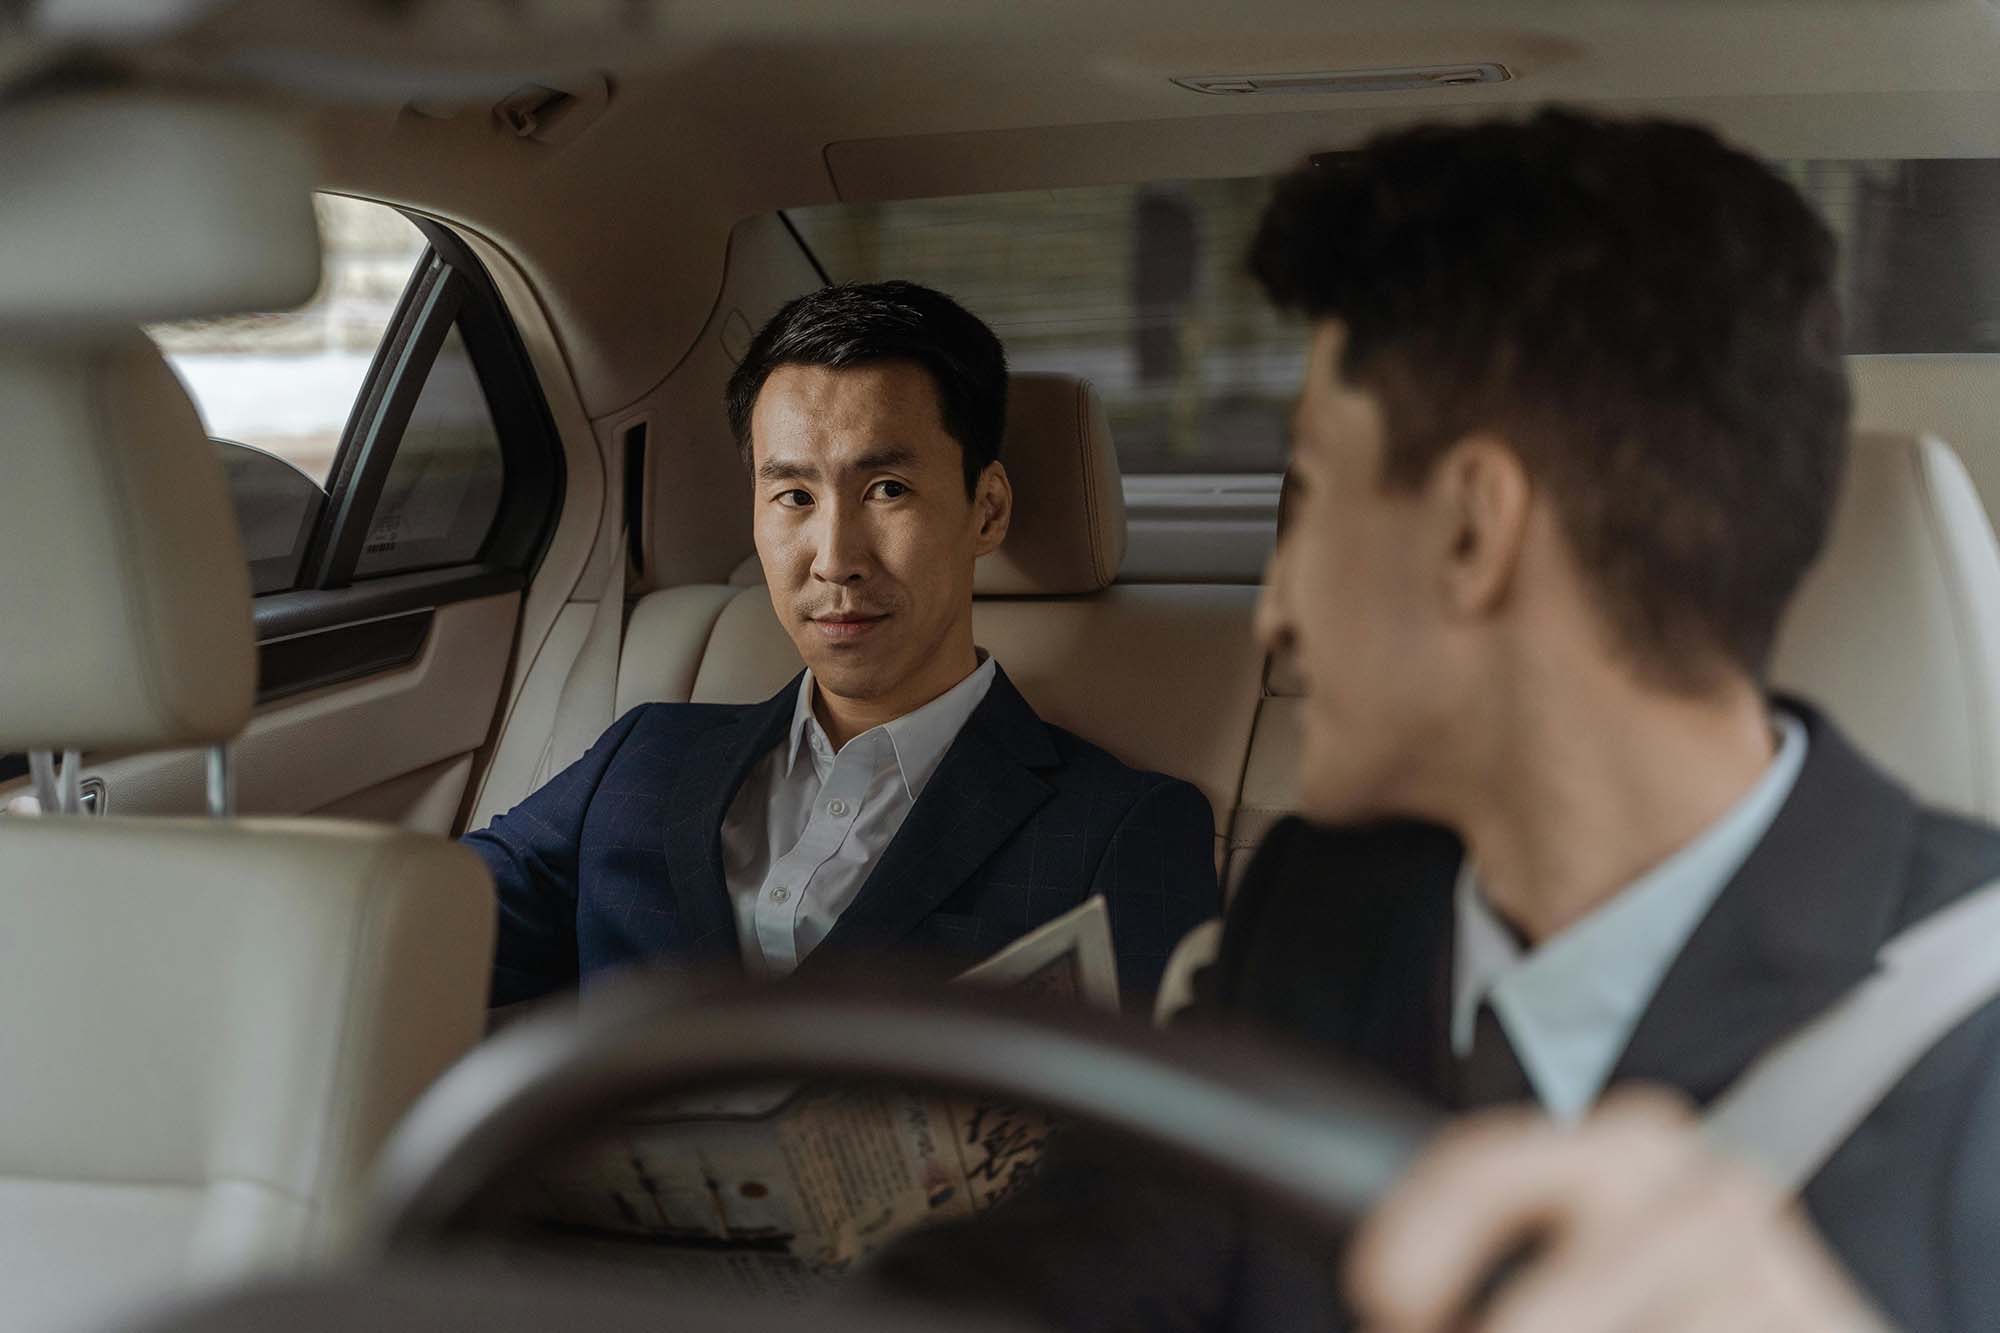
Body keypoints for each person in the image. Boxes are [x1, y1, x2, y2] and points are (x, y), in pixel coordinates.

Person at [863, 112, 2000, 1331]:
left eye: (1310, 494)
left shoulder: (1972, 1038)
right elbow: (1063, 1273)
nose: (1274, 614)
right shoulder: (1317, 911)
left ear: (1471, 529)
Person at [465, 281, 1219, 1005]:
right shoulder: (644, 759)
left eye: (887, 489)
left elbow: (1169, 1091)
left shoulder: (1118, 829)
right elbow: (420, 917)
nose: (834, 559)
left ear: (987, 510)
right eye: (794, 496)